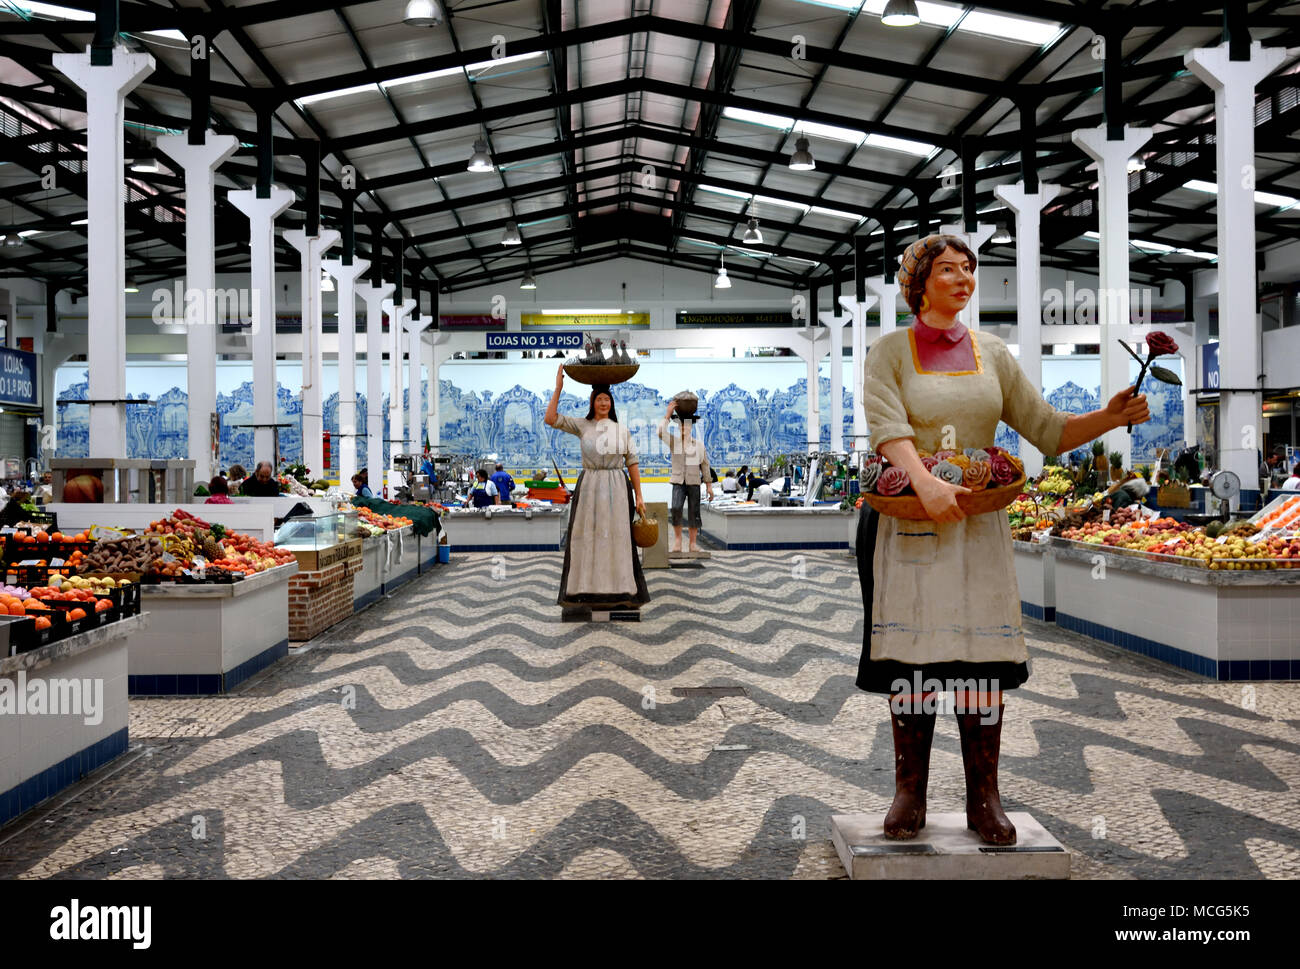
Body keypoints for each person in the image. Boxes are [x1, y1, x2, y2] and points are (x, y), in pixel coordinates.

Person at [858, 233, 1151, 845]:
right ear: (918, 282)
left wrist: (1111, 416)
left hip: (979, 525)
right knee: (916, 660)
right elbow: (887, 428)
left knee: (980, 663)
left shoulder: (993, 352)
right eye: (946, 270)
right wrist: (924, 483)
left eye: (968, 269)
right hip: (912, 518)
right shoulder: (888, 351)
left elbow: (1046, 428)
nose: (963, 279)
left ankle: (983, 797)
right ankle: (910, 792)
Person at [544, 365, 650, 610]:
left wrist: (640, 495)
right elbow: (550, 419)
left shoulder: (622, 430)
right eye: (599, 399)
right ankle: (585, 588)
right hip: (590, 486)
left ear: (611, 403)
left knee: (618, 537)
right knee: (587, 537)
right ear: (592, 403)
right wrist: (558, 388)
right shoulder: (583, 425)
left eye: (606, 399)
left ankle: (620, 588)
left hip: (617, 488)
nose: (603, 403)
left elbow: (632, 463)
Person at [658, 400, 715, 554]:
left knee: (694, 512)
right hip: (678, 481)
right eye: (681, 424)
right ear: (678, 426)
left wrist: (709, 486)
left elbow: (705, 465)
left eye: (687, 424)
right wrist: (668, 415)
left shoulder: (699, 445)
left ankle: (693, 544)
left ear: (691, 427)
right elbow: (660, 432)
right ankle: (677, 541)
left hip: (694, 482)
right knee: (676, 509)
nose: (684, 427)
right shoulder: (673, 442)